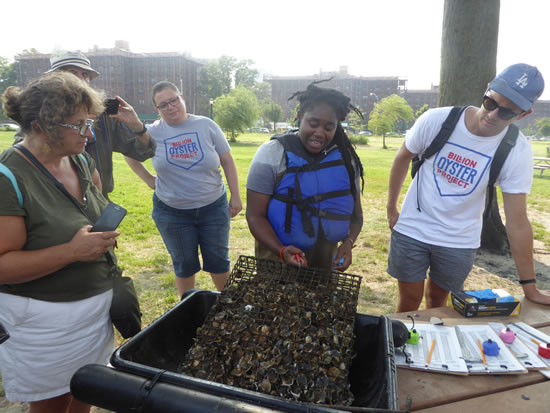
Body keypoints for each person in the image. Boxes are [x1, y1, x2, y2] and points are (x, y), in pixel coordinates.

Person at [0, 72, 121, 412]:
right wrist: (72, 251)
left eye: (90, 122)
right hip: (43, 328)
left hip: (94, 317)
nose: (90, 133)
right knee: (52, 406)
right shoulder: (8, 178)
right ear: (41, 126)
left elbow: (88, 209)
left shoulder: (80, 159)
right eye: (79, 125)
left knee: (87, 394)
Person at [386, 63, 550, 312]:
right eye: (491, 103)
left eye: (506, 113)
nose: (492, 115)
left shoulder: (516, 149)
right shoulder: (438, 119)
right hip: (413, 228)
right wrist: (391, 208)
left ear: (524, 114)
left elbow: (517, 221)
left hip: (459, 240)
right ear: (487, 91)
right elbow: (402, 157)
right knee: (409, 303)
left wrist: (530, 287)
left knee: (437, 304)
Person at [125, 81, 242, 296]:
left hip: (213, 207)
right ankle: (187, 311)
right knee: (184, 263)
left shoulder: (206, 125)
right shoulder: (150, 133)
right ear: (156, 110)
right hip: (172, 212)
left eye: (173, 100)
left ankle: (230, 307)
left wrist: (235, 196)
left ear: (182, 99)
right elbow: (128, 154)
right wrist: (149, 180)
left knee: (218, 261)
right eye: (163, 105)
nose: (170, 107)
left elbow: (227, 160)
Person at [246, 81, 364, 271]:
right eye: (313, 123)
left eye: (329, 127)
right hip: (277, 257)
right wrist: (281, 250)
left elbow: (357, 217)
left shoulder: (347, 160)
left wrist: (348, 244)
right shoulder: (271, 154)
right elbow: (254, 215)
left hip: (325, 260)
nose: (319, 133)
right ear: (300, 116)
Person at [14, 50, 156, 198]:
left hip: (99, 200)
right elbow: (22, 155)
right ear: (54, 78)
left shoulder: (104, 114)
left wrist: (137, 126)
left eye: (85, 74)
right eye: (72, 72)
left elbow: (143, 152)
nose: (80, 79)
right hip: (54, 203)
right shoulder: (38, 113)